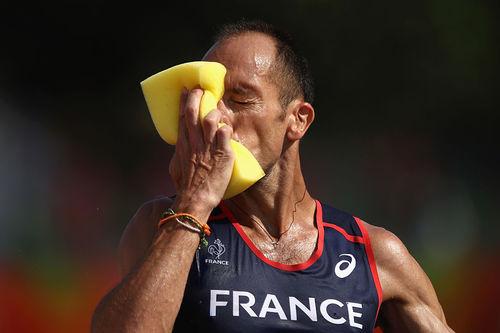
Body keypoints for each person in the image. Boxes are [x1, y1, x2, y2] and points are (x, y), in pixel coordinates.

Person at [91, 20, 454, 333]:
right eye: (209, 100)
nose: (216, 118)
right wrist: (194, 203)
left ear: (298, 120)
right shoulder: (163, 224)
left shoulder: (372, 253)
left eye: (239, 98)